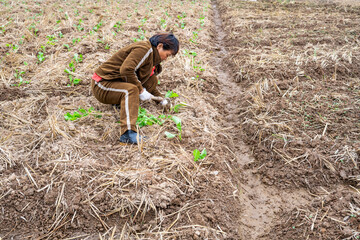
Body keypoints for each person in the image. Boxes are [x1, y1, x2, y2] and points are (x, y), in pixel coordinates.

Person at [91, 33, 179, 144]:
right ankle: (127, 133)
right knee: (131, 90)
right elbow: (126, 70)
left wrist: (161, 99)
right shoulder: (144, 49)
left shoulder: (153, 59)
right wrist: (141, 91)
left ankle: (120, 102)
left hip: (116, 83)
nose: (166, 58)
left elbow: (148, 82)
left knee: (152, 80)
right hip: (102, 84)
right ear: (160, 46)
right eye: (167, 54)